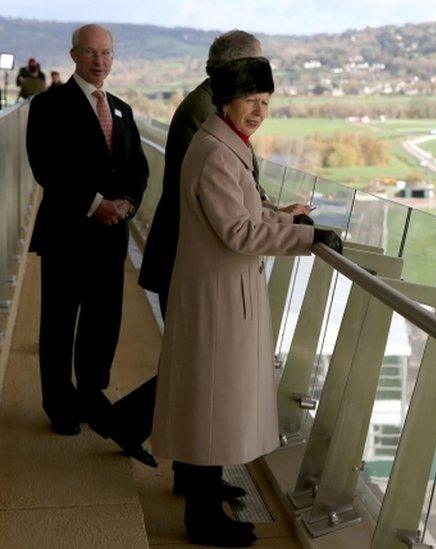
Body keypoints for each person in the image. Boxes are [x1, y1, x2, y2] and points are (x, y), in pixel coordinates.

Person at [95, 29, 310, 493]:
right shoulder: (207, 116)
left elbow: (235, 195)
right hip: (195, 259)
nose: (258, 100)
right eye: (253, 70)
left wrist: (274, 214)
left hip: (196, 255)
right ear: (232, 71)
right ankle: (196, 486)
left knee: (199, 371)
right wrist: (295, 233)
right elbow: (224, 202)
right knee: (201, 375)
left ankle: (193, 477)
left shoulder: (213, 110)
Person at [150, 56, 341, 546]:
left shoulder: (223, 143)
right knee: (213, 399)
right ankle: (202, 516)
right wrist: (307, 239)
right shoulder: (217, 152)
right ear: (226, 101)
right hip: (217, 296)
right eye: (252, 101)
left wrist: (295, 225)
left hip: (217, 290)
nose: (259, 111)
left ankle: (206, 492)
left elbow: (248, 212)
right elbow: (238, 231)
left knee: (209, 398)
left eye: (265, 102)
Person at [25, 25, 148, 445]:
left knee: (103, 319)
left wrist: (127, 204)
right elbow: (47, 168)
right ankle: (59, 404)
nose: (100, 61)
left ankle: (91, 395)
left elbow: (139, 170)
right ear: (74, 54)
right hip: (67, 233)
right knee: (59, 322)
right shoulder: (48, 105)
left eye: (107, 53)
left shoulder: (122, 109)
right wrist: (98, 204)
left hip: (112, 237)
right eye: (92, 53)